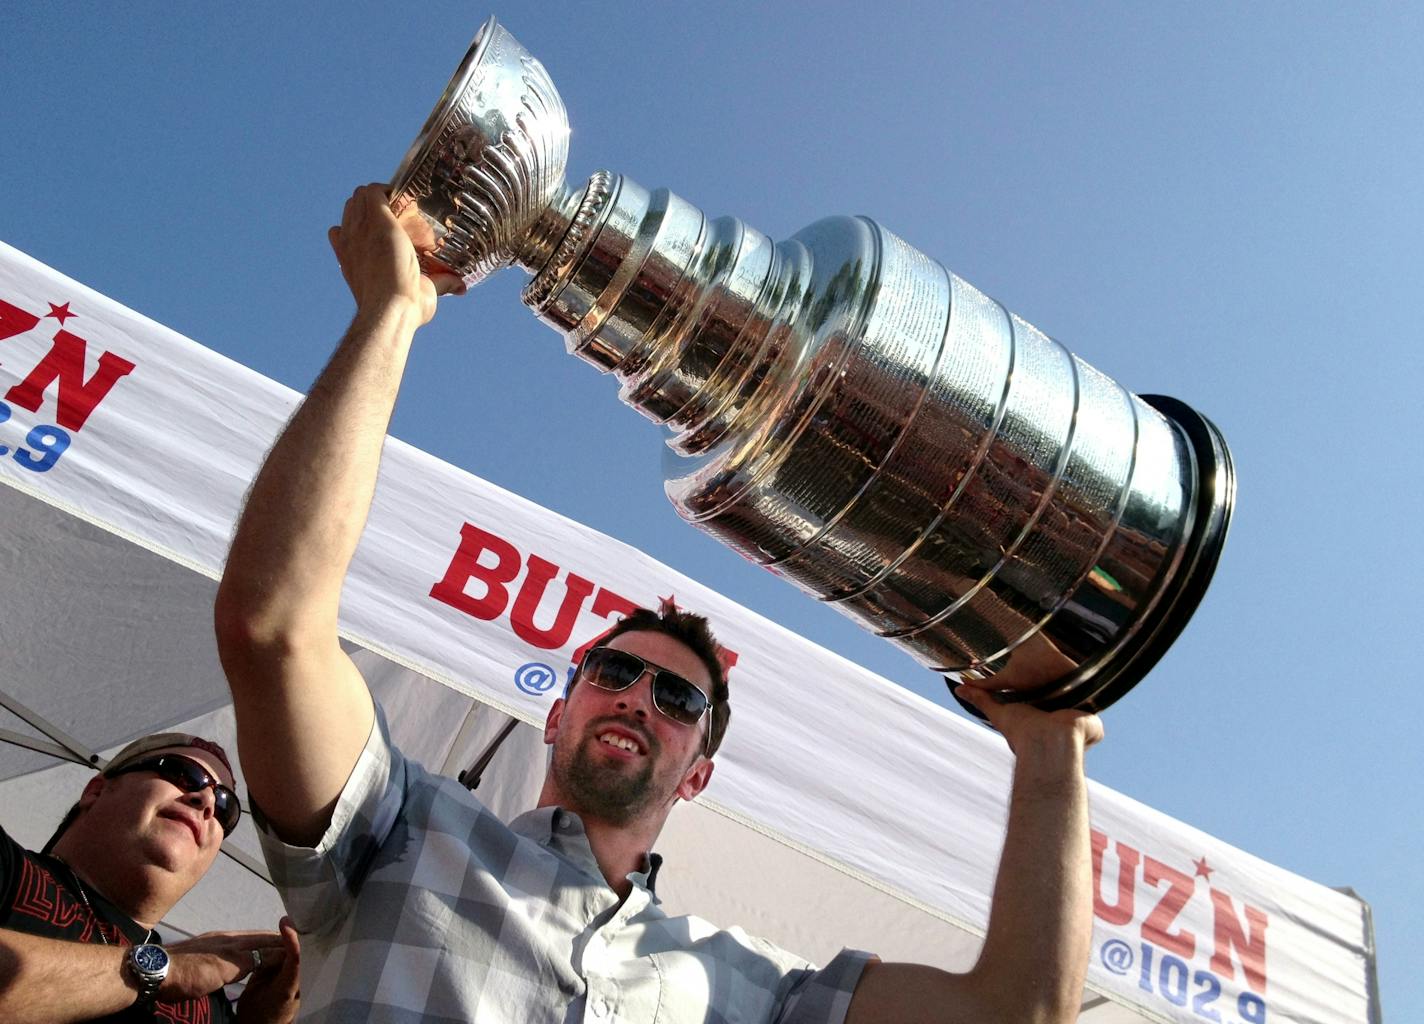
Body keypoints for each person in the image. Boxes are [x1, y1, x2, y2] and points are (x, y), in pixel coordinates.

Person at [213, 183, 1104, 1023]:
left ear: (699, 772)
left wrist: (1050, 741)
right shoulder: (403, 830)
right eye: (615, 672)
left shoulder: (751, 990)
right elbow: (273, 629)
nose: (639, 697)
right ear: (558, 714)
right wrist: (390, 317)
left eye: (679, 700)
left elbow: (1016, 1010)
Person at [0, 732, 302, 1023]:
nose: (207, 802)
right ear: (96, 790)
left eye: (226, 807)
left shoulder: (207, 998)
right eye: (183, 774)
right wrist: (164, 970)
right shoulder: (12, 870)